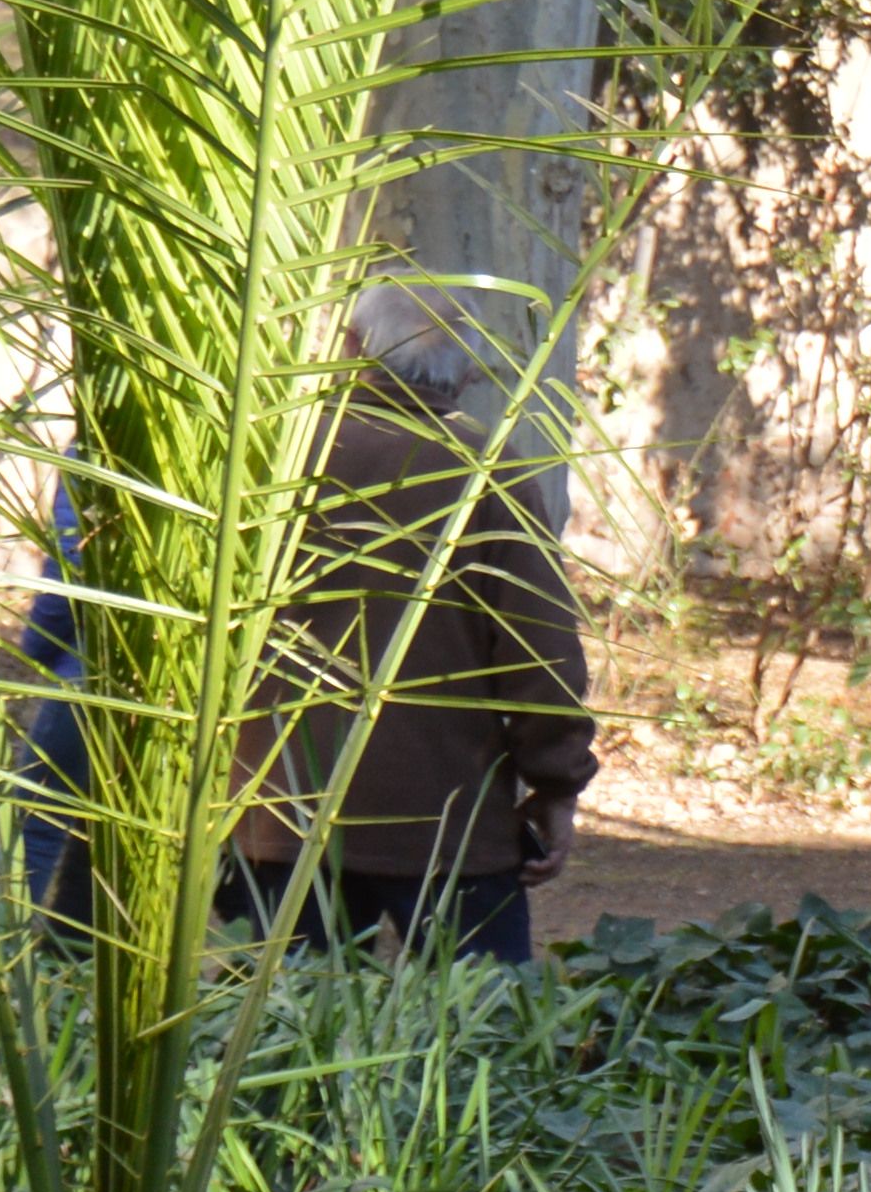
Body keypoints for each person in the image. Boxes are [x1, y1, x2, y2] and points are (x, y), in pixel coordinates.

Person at [228, 301, 597, 961]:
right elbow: (539, 652)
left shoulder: (276, 459)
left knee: (284, 1042)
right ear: (468, 374)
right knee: (484, 1040)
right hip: (446, 822)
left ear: (352, 345)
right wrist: (556, 783)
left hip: (282, 809)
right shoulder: (489, 471)